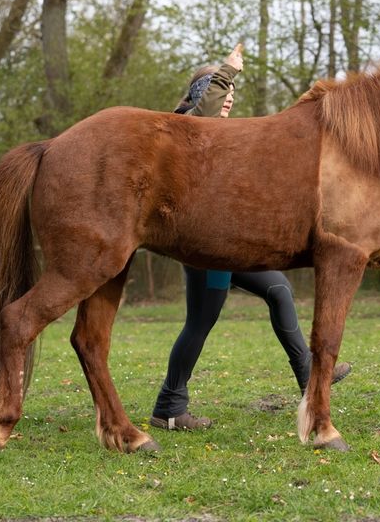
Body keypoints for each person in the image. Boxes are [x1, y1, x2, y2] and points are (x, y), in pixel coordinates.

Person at [150, 44, 351, 431]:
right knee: (200, 321)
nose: (227, 101)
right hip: (209, 245)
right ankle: (169, 407)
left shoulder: (220, 133)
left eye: (230, 96)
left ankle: (308, 376)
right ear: (201, 94)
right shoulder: (190, 123)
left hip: (232, 243)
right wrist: (227, 70)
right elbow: (206, 112)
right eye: (220, 92)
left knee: (278, 289)